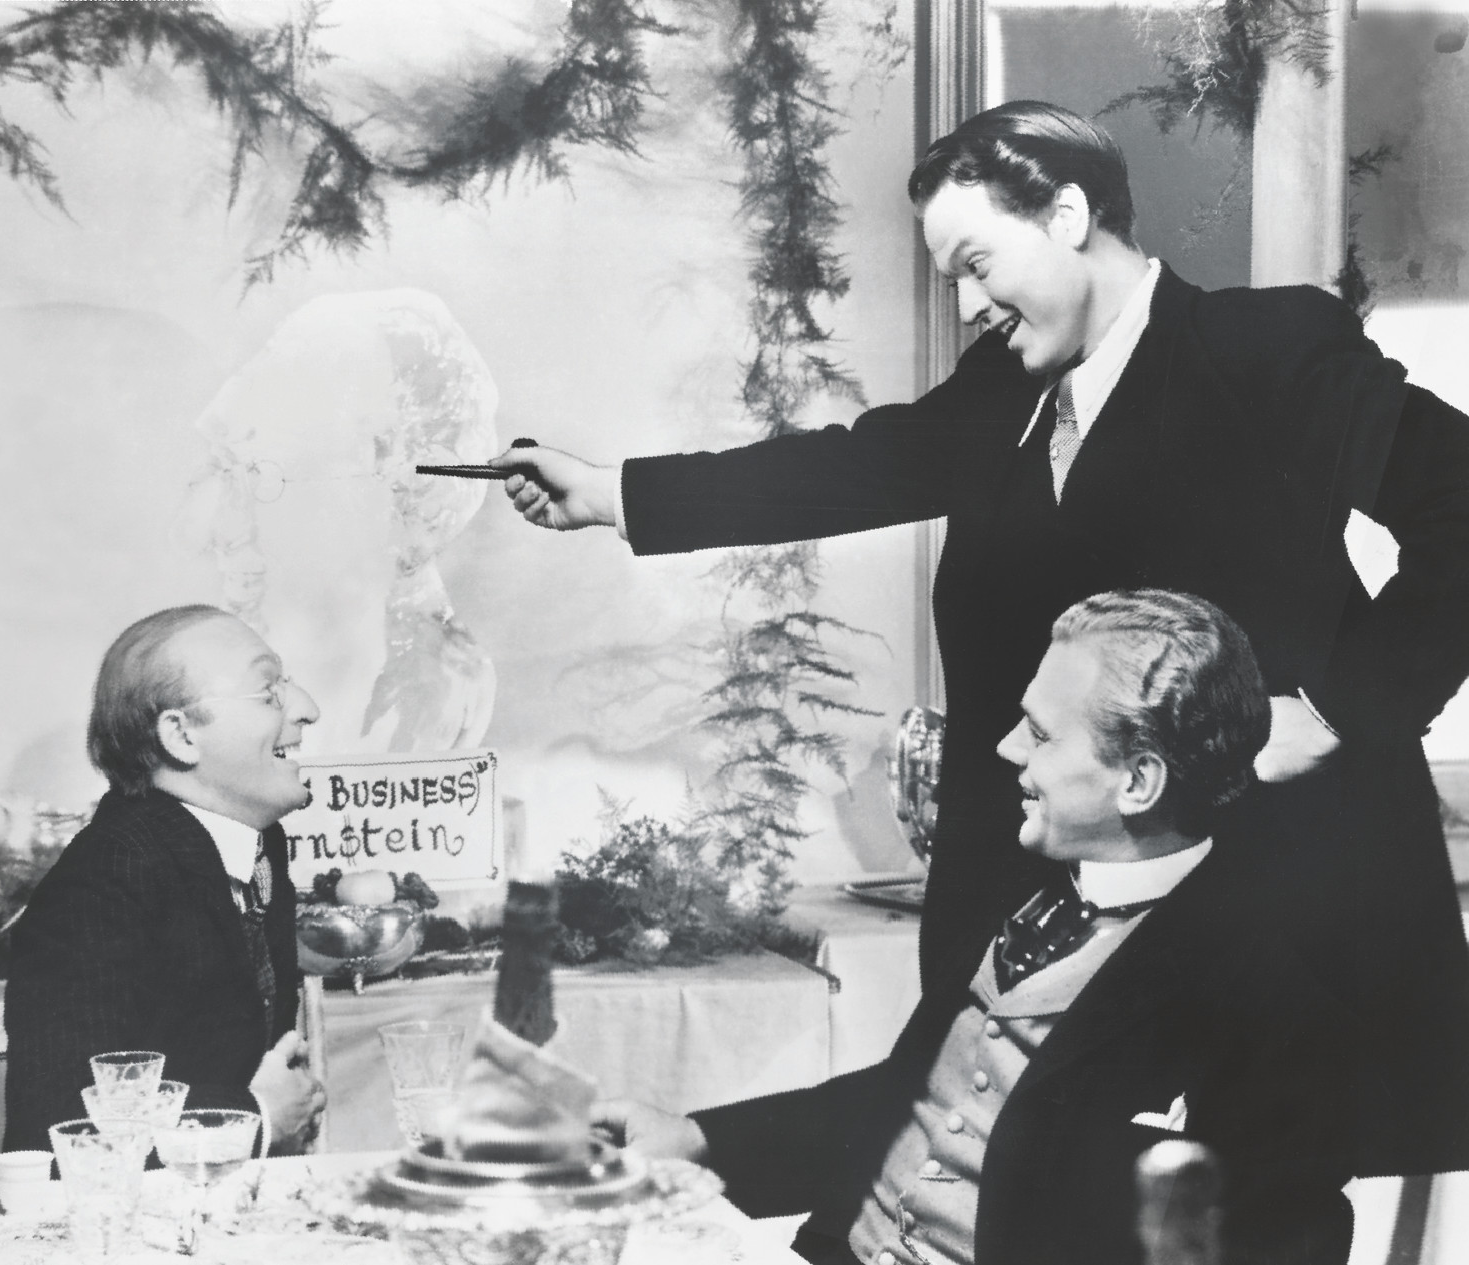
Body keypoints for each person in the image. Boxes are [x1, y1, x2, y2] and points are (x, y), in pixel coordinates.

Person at [495, 101, 1469, 1178]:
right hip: (1057, 926)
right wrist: (612, 494)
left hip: (1284, 940)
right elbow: (849, 468)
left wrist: (1335, 710)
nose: (966, 305)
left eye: (976, 264)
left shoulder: (1264, 349)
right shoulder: (1004, 396)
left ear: (1067, 214)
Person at [600, 590, 1383, 1265]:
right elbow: (914, 1096)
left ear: (1139, 780)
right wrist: (696, 1137)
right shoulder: (1015, 880)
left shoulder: (1277, 1009)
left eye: (1040, 733)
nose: (1007, 748)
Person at [3, 605, 326, 1155]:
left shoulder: (256, 845)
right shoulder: (102, 880)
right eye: (268, 691)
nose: (307, 709)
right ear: (180, 735)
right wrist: (258, 1118)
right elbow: (58, 1123)